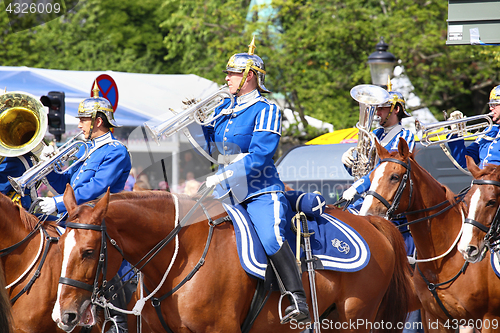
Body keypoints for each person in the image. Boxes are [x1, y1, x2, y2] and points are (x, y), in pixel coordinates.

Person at [196, 37, 310, 324]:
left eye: (231, 74)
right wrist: (197, 124)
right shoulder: (224, 109)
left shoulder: (266, 109)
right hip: (225, 191)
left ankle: (296, 297)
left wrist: (223, 174)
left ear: (249, 77)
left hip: (258, 190)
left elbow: (260, 155)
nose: (226, 78)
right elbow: (212, 150)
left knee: (271, 238)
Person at [37, 83, 132, 333]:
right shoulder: (84, 149)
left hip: (100, 219)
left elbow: (96, 189)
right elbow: (65, 182)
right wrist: (47, 164)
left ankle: (117, 322)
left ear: (98, 121)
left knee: (113, 271)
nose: (79, 125)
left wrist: (57, 203)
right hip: (76, 217)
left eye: (83, 120)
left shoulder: (115, 151)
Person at [341, 85, 422, 333]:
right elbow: (363, 168)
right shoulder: (373, 133)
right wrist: (348, 162)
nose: (377, 112)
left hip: (392, 210)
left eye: (383, 107)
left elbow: (387, 169)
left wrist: (359, 185)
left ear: (396, 109)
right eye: (376, 107)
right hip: (367, 200)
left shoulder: (405, 135)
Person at [447, 85, 500, 169]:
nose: (490, 108)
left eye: (495, 104)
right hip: (481, 181)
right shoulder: (490, 131)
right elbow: (463, 162)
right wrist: (455, 134)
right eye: (490, 104)